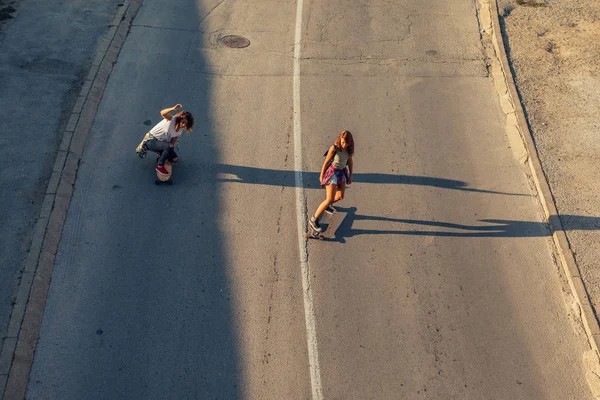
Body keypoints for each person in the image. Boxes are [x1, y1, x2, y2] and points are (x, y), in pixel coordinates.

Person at [309, 130, 354, 232]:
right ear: (340, 139)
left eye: (346, 143)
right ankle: (313, 219)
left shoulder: (349, 150)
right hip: (332, 173)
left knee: (340, 196)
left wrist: (350, 175)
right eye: (342, 142)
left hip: (342, 173)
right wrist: (321, 176)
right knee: (329, 199)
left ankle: (327, 205)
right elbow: (326, 162)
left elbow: (350, 162)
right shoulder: (334, 148)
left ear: (350, 143)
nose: (344, 145)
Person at [136, 104, 195, 175]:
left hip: (160, 143)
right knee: (168, 146)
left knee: (174, 159)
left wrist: (169, 155)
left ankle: (161, 156)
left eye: (186, 124)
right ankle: (160, 166)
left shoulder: (180, 131)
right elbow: (162, 113)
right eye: (183, 122)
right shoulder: (172, 120)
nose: (183, 125)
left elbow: (172, 144)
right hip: (150, 141)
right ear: (180, 119)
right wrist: (173, 108)